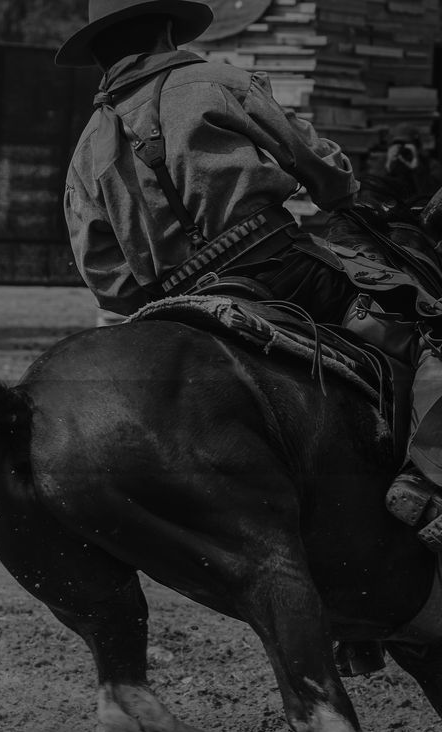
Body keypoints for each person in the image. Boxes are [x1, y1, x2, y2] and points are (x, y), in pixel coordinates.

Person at [55, 0, 442, 563]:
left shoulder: (87, 145)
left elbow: (105, 276)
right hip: (279, 267)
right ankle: (427, 478)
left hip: (177, 301)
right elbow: (315, 161)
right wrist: (339, 193)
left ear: (98, 52)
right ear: (166, 27)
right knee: (432, 323)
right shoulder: (216, 82)